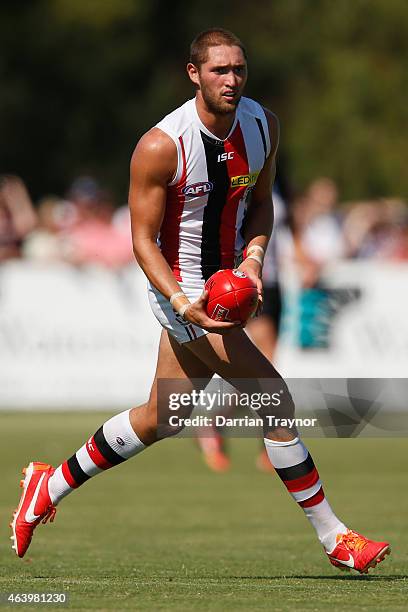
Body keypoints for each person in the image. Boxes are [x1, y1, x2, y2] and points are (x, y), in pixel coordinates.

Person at [10, 28, 390, 574]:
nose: (231, 80)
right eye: (219, 71)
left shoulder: (262, 125)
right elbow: (142, 240)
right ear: (195, 75)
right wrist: (183, 303)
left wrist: (253, 261)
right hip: (181, 292)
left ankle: (49, 485)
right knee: (273, 399)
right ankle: (336, 539)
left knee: (163, 416)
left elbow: (262, 205)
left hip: (229, 285)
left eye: (238, 70)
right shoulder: (162, 145)